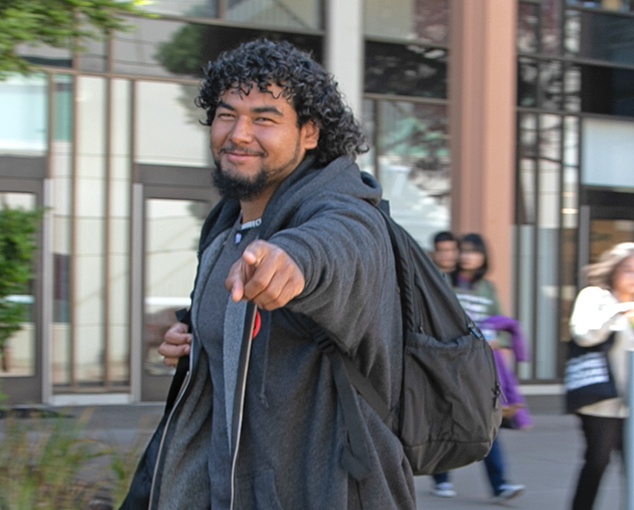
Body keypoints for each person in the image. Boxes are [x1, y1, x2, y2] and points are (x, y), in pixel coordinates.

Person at [127, 39, 411, 509]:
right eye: (226, 115)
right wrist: (194, 331)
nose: (239, 133)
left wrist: (293, 261)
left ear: (309, 133)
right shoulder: (225, 228)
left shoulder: (345, 211)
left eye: (264, 118)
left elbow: (339, 245)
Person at [436, 233, 526, 501]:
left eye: (475, 251)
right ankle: (441, 476)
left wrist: (500, 340)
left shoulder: (487, 287)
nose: (468, 256)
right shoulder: (444, 281)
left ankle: (500, 485)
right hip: (452, 361)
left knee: (488, 422)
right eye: (464, 250)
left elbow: (502, 324)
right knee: (446, 418)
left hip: (482, 364)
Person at [567, 242, 634, 510]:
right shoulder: (595, 296)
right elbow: (583, 333)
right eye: (629, 270)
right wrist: (616, 312)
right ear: (613, 270)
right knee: (597, 461)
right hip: (600, 400)